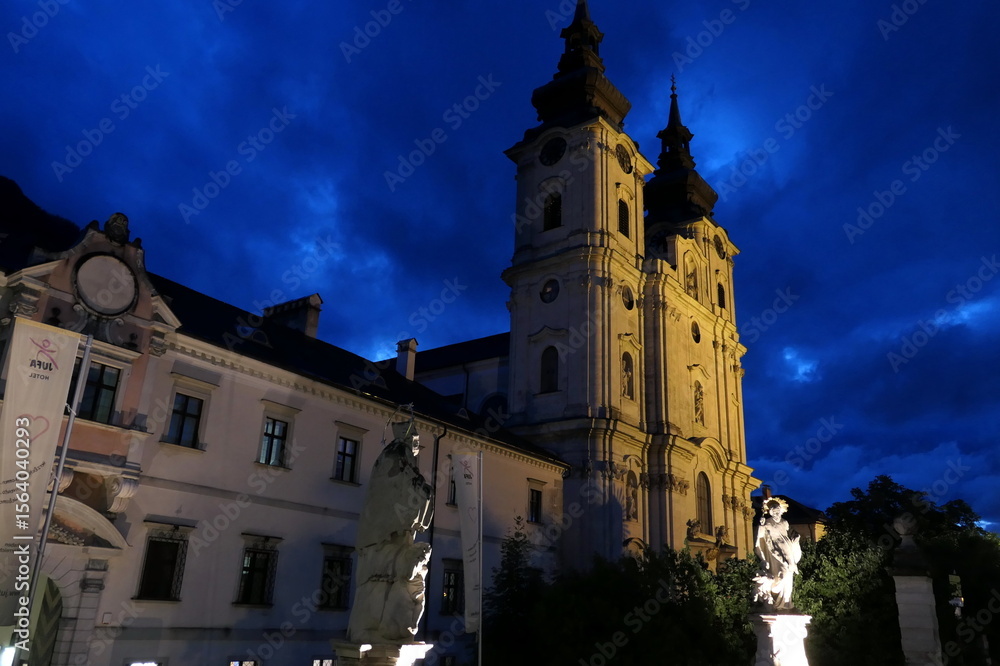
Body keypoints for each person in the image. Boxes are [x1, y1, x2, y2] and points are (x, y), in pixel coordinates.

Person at [753, 497, 801, 611]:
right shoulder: (767, 523)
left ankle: (787, 602)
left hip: (787, 550)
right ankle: (777, 603)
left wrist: (795, 539)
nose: (776, 512)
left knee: (788, 576)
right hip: (774, 551)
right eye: (773, 510)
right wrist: (760, 526)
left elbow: (788, 535)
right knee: (781, 575)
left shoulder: (785, 522)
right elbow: (759, 539)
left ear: (781, 510)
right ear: (769, 511)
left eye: (778, 509)